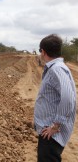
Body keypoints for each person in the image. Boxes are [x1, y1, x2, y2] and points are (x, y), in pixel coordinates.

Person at [34, 34, 76, 162]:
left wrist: (55, 126)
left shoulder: (56, 69)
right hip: (48, 130)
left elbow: (69, 98)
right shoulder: (57, 68)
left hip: (51, 133)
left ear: (43, 51)